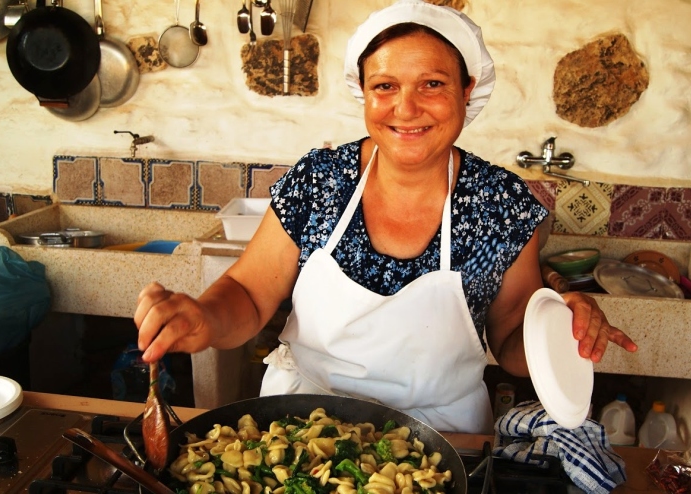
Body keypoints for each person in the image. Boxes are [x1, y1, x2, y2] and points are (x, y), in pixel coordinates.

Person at [135, 0, 637, 434]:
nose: (406, 107)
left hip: (441, 438)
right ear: (364, 93)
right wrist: (202, 316)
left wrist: (558, 332)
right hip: (299, 427)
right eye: (385, 86)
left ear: (467, 90)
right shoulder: (320, 179)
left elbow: (509, 340)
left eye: (433, 84)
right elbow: (247, 294)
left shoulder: (500, 203)